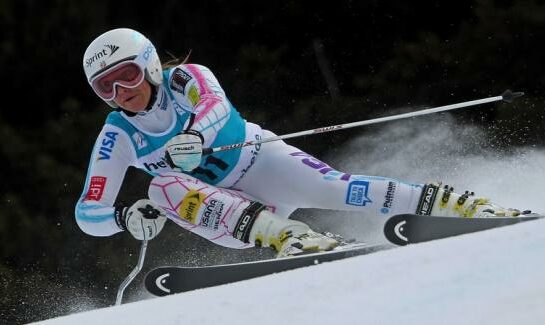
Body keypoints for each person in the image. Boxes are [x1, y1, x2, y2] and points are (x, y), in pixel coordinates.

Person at [76, 28, 523, 258]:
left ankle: (457, 204)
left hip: (260, 162)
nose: (121, 94)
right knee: (160, 188)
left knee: (338, 189)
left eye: (127, 76)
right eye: (105, 89)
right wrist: (123, 217)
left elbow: (215, 106)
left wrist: (194, 136)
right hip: (230, 219)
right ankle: (291, 237)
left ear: (150, 65)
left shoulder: (185, 79)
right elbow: (88, 212)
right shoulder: (118, 136)